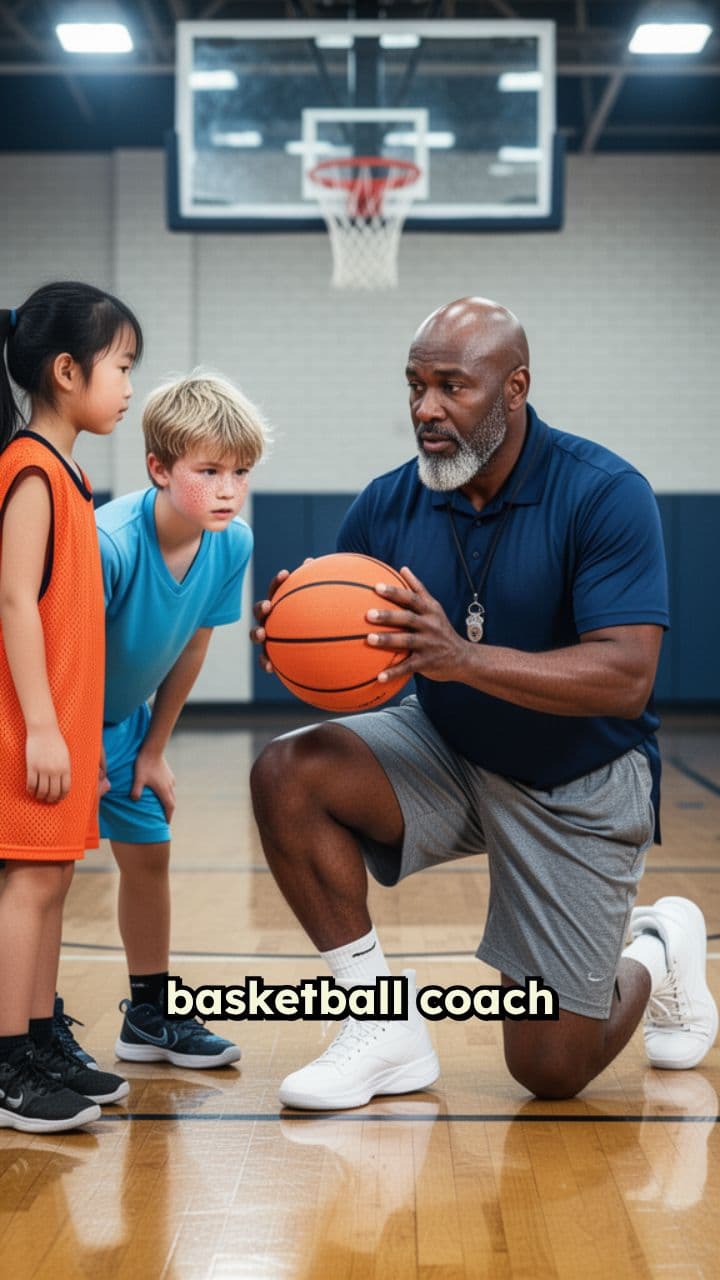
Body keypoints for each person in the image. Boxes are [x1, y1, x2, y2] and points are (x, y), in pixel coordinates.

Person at [250, 296, 718, 1110]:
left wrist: (460, 658)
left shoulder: (605, 493)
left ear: (514, 387)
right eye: (414, 386)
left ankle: (659, 943)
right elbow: (360, 646)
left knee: (550, 1071)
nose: (425, 410)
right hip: (448, 743)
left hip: (577, 775)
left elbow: (624, 676)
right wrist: (294, 631)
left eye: (451, 387)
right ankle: (378, 1021)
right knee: (291, 771)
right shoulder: (391, 502)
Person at [56, 372, 268, 1070]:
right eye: (209, 471)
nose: (228, 489)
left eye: (240, 472)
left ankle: (149, 1015)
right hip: (56, 718)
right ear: (158, 468)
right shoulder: (108, 543)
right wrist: (75, 744)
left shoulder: (230, 543)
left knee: (150, 853)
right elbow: (70, 654)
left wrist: (152, 747)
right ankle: (28, 1023)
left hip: (121, 723)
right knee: (39, 876)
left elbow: (196, 642)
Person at [0, 281, 141, 1132]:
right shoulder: (28, 470)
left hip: (62, 728)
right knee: (26, 886)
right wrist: (45, 727)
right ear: (65, 372)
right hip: (27, 728)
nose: (128, 386)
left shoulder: (67, 472)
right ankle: (9, 1060)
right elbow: (14, 601)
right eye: (120, 367)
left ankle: (41, 1037)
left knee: (49, 882)